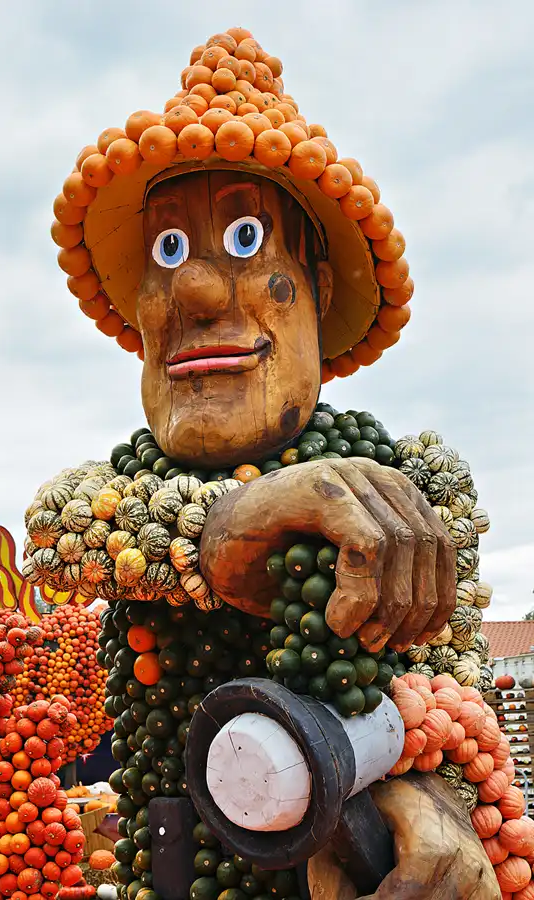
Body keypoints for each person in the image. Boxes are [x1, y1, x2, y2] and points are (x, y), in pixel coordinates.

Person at [49, 26, 500, 900]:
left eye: (246, 238)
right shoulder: (124, 491)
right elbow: (59, 535)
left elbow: (454, 691)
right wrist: (228, 529)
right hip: (170, 871)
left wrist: (445, 798)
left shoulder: (406, 490)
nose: (195, 289)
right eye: (168, 252)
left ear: (318, 292)